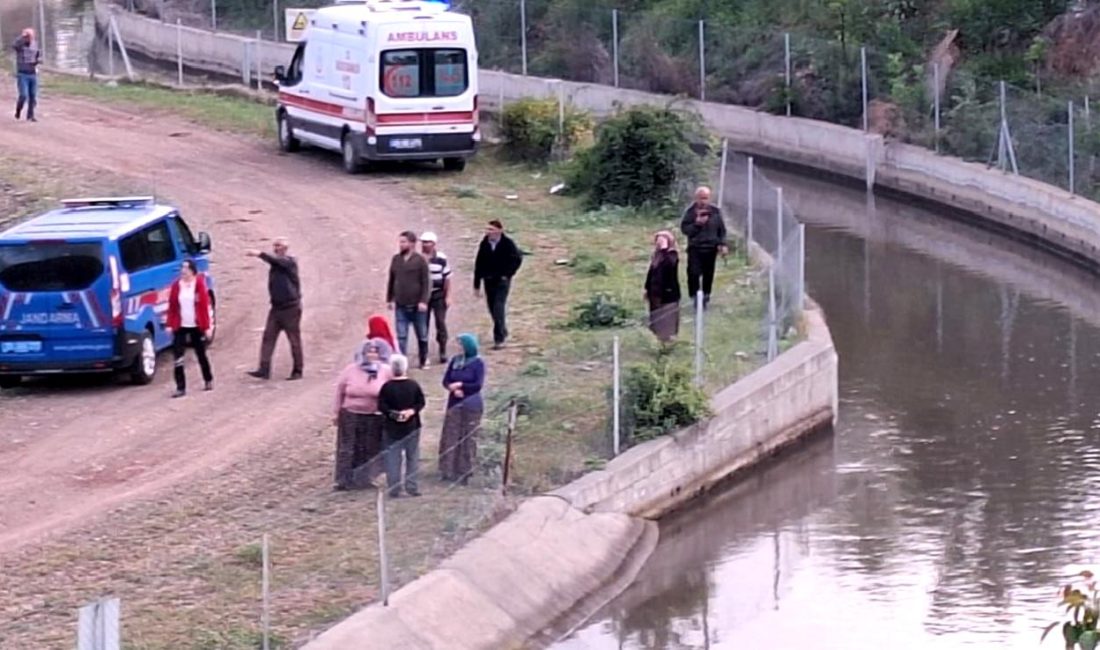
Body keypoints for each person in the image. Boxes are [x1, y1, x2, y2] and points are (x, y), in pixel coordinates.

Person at [332, 338, 393, 491]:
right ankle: (343, 480)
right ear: (362, 353)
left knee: (368, 448)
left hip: (374, 416)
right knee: (347, 448)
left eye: (375, 351)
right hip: (350, 414)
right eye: (369, 351)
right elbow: (339, 391)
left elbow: (392, 391)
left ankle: (364, 479)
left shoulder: (385, 371)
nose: (372, 354)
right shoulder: (350, 370)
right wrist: (336, 412)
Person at [246, 237, 303, 380]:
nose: (275, 248)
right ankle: (264, 369)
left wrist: (259, 254)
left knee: (294, 340)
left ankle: (297, 370)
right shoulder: (278, 263)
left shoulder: (289, 262)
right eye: (275, 245)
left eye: (278, 245)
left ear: (285, 248)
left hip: (290, 308)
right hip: (277, 307)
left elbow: (276, 261)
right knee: (268, 337)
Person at [439, 333, 485, 484]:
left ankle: (465, 470)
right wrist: (451, 388)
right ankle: (447, 469)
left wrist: (461, 386)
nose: (458, 347)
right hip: (454, 402)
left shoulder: (478, 363)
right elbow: (446, 380)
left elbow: (477, 384)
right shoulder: (455, 361)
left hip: (471, 403)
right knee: (451, 435)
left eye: (460, 344)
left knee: (467, 436)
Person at [378, 354, 426, 498]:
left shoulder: (386, 387)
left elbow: (381, 406)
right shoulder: (413, 385)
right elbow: (421, 402)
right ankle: (412, 486)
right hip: (412, 427)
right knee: (412, 457)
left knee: (393, 458)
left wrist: (394, 414)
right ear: (405, 368)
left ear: (392, 369)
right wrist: (411, 412)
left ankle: (394, 488)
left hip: (392, 429)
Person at [165, 259, 214, 398]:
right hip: (181, 325)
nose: (183, 271)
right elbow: (172, 307)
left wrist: (206, 327)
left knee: (201, 354)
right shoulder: (176, 286)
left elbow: (203, 308)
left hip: (196, 325)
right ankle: (180, 387)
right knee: (178, 356)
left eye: (186, 268)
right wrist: (170, 324)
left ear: (192, 270)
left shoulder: (198, 285)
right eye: (182, 268)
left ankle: (208, 379)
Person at [473, 220, 523, 350]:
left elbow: (517, 259)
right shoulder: (485, 244)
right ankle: (503, 329)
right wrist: (477, 284)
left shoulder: (507, 244)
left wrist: (508, 274)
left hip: (502, 281)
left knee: (498, 307)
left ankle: (499, 338)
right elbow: (479, 263)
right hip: (488, 280)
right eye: (487, 229)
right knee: (491, 308)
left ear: (499, 230)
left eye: (491, 230)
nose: (488, 232)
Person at [386, 231, 432, 369]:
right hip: (401, 304)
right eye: (400, 242)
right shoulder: (396, 259)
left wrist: (423, 301)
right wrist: (390, 298)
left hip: (417, 306)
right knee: (401, 336)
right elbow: (392, 280)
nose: (401, 244)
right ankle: (402, 364)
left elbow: (426, 282)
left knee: (422, 335)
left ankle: (423, 360)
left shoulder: (420, 260)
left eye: (404, 242)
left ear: (412, 243)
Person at [679, 186, 728, 308]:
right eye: (701, 198)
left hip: (711, 248)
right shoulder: (690, 212)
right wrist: (697, 224)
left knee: (708, 274)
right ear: (696, 198)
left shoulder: (715, 211)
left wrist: (723, 244)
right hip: (695, 248)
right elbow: (685, 229)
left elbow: (721, 230)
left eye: (706, 198)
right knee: (693, 273)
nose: (703, 201)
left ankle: (706, 296)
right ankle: (695, 296)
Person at [420, 231, 452, 364]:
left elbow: (447, 278)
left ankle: (443, 350)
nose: (424, 245)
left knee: (440, 323)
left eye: (427, 242)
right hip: (423, 296)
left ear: (434, 244)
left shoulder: (441, 258)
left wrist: (448, 296)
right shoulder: (418, 258)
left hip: (438, 294)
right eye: (423, 242)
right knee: (423, 325)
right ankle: (424, 353)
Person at [645, 230, 682, 342]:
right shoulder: (657, 256)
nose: (659, 242)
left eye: (662, 239)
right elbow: (652, 273)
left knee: (667, 318)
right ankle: (658, 340)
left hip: (668, 293)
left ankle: (667, 341)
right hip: (655, 293)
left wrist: (664, 249)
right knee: (656, 318)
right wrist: (647, 288)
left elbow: (668, 266)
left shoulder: (672, 255)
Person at [12, 28, 40, 122]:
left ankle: (30, 115)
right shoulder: (20, 46)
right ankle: (18, 110)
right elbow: (14, 46)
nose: (29, 38)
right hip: (22, 74)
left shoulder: (35, 44)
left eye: (31, 35)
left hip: (32, 73)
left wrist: (38, 61)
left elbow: (37, 55)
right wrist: (22, 37)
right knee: (23, 95)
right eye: (27, 36)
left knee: (33, 95)